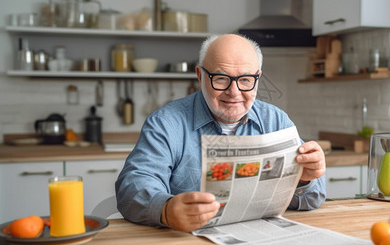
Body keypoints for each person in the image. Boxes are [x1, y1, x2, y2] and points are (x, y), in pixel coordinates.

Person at [115, 34, 326, 232]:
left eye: (245, 79)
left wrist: (305, 180)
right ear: (200, 75)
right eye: (221, 78)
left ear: (257, 78)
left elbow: (314, 198)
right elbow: (132, 188)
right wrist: (166, 210)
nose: (234, 92)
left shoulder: (276, 121)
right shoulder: (165, 124)